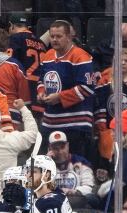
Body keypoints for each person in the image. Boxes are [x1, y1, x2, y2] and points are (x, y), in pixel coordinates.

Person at [36, 20, 95, 158]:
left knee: (76, 165)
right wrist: (41, 93)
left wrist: (60, 97)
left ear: (69, 37)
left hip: (76, 124)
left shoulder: (81, 56)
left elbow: (88, 88)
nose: (54, 39)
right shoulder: (48, 55)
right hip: (50, 122)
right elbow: (41, 80)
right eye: (52, 36)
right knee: (44, 164)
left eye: (59, 36)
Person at [7, 12, 46, 113]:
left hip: (24, 88)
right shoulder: (40, 42)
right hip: (40, 88)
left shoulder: (15, 38)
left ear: (11, 26)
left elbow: (10, 64)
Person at [46, 131, 95, 200]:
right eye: (55, 148)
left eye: (62, 147)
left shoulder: (81, 162)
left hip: (77, 202)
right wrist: (45, 164)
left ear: (68, 146)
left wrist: (74, 192)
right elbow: (38, 190)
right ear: (49, 149)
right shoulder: (44, 166)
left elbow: (89, 188)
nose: (60, 151)